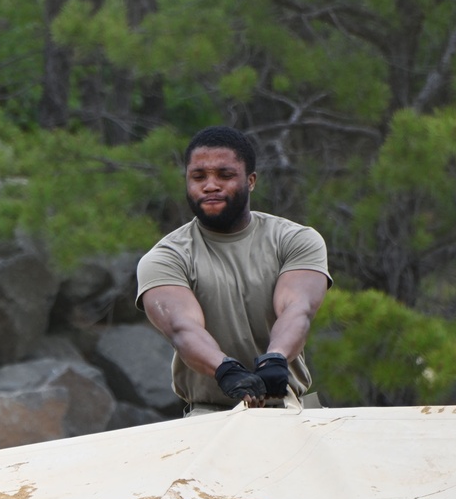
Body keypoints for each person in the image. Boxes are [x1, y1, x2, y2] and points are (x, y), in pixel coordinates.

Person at [136, 126, 331, 416]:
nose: (210, 185)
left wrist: (275, 360)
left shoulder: (296, 239)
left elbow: (297, 310)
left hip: (290, 409)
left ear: (251, 181)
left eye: (225, 175)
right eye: (198, 177)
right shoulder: (165, 257)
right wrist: (225, 370)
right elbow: (182, 328)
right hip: (209, 416)